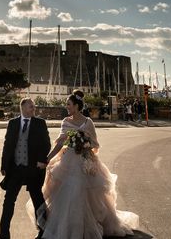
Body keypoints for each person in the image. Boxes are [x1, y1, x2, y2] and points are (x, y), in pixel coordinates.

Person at [34, 93, 139, 238]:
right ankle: (70, 228)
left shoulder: (88, 122)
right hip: (68, 161)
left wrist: (84, 145)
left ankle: (88, 227)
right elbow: (59, 144)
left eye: (69, 104)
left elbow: (95, 144)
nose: (67, 107)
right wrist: (47, 159)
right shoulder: (65, 121)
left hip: (84, 160)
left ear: (76, 106)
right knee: (69, 194)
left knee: (86, 195)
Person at [0, 98, 51, 239]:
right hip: (16, 168)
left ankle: (44, 231)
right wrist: (4, 165)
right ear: (22, 108)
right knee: (8, 201)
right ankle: (3, 233)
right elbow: (7, 145)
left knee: (38, 200)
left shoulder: (40, 123)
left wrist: (42, 160)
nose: (34, 109)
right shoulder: (13, 123)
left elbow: (46, 144)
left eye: (34, 107)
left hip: (33, 168)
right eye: (30, 107)